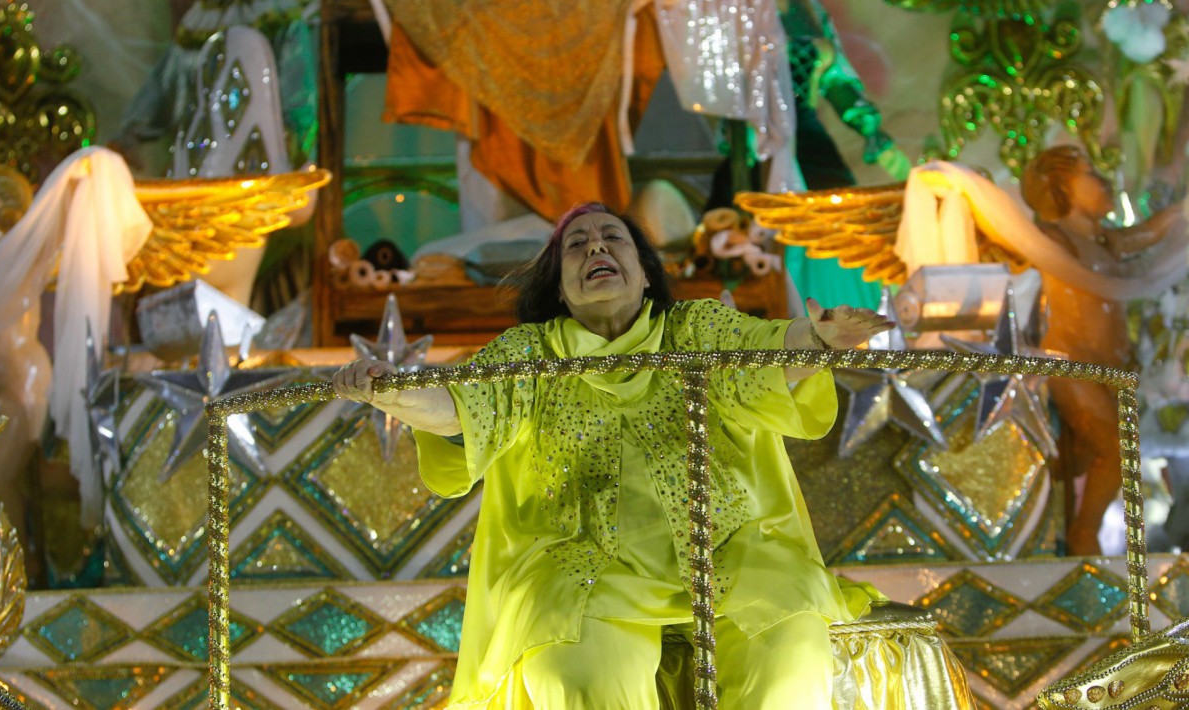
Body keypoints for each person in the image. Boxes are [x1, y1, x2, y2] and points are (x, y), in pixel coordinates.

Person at [333, 201, 892, 709]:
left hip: (728, 549)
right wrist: (394, 391)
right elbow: (462, 408)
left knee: (791, 655)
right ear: (558, 287)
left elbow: (764, 358)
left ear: (645, 272)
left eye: (612, 238)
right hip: (585, 566)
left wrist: (817, 341)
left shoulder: (695, 328)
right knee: (578, 678)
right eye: (577, 244)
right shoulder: (530, 352)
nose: (596, 247)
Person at [1022, 144, 1183, 555]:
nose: (1104, 180)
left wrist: (1182, 209)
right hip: (1068, 364)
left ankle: (1074, 534)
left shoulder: (1103, 240)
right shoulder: (1049, 238)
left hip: (1110, 367)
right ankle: (1083, 537)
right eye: (1091, 173)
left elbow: (1144, 235)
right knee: (1114, 450)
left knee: (1104, 456)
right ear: (1060, 188)